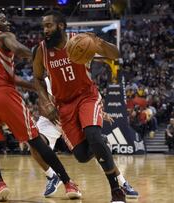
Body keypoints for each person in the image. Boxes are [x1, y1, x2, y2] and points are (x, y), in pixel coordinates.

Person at [0, 8, 79, 202]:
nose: (8, 23)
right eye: (4, 20)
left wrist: (34, 86)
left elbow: (8, 76)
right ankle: (68, 183)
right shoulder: (4, 35)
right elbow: (20, 50)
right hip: (5, 96)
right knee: (36, 141)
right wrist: (38, 56)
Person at [33, 10, 139, 203]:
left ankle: (116, 190)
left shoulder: (80, 41)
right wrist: (46, 102)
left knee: (92, 133)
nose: (45, 30)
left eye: (48, 25)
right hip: (63, 105)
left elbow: (115, 55)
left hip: (86, 97)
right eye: (43, 26)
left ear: (61, 26)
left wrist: (99, 42)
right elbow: (37, 79)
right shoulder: (41, 50)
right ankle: (101, 141)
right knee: (82, 155)